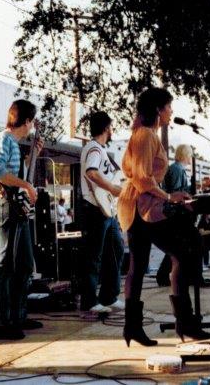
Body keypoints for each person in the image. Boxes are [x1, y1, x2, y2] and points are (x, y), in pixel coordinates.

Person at [118, 87, 210, 347]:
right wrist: (169, 197)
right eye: (169, 107)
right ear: (159, 110)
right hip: (143, 209)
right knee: (184, 253)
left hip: (139, 206)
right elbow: (142, 178)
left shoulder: (143, 134)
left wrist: (168, 196)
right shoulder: (146, 135)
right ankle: (185, 323)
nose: (171, 112)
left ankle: (133, 328)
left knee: (138, 267)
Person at [0, 99, 44, 340]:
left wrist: (32, 157)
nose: (32, 127)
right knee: (6, 266)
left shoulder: (12, 143)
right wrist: (27, 186)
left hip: (15, 208)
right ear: (27, 121)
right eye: (32, 122)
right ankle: (2, 322)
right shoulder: (3, 140)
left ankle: (17, 316)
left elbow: (13, 173)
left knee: (23, 265)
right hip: (7, 206)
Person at [79, 111, 125, 314]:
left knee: (116, 249)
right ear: (106, 128)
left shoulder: (99, 149)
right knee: (93, 256)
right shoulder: (94, 148)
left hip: (105, 210)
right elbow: (92, 172)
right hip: (95, 208)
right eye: (111, 127)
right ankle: (89, 301)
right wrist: (112, 188)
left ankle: (109, 296)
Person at [156, 144, 210, 287]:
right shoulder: (177, 169)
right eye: (190, 155)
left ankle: (163, 276)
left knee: (178, 246)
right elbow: (176, 193)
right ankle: (195, 277)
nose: (190, 158)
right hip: (177, 214)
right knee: (195, 241)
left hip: (175, 213)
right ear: (185, 155)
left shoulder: (176, 169)